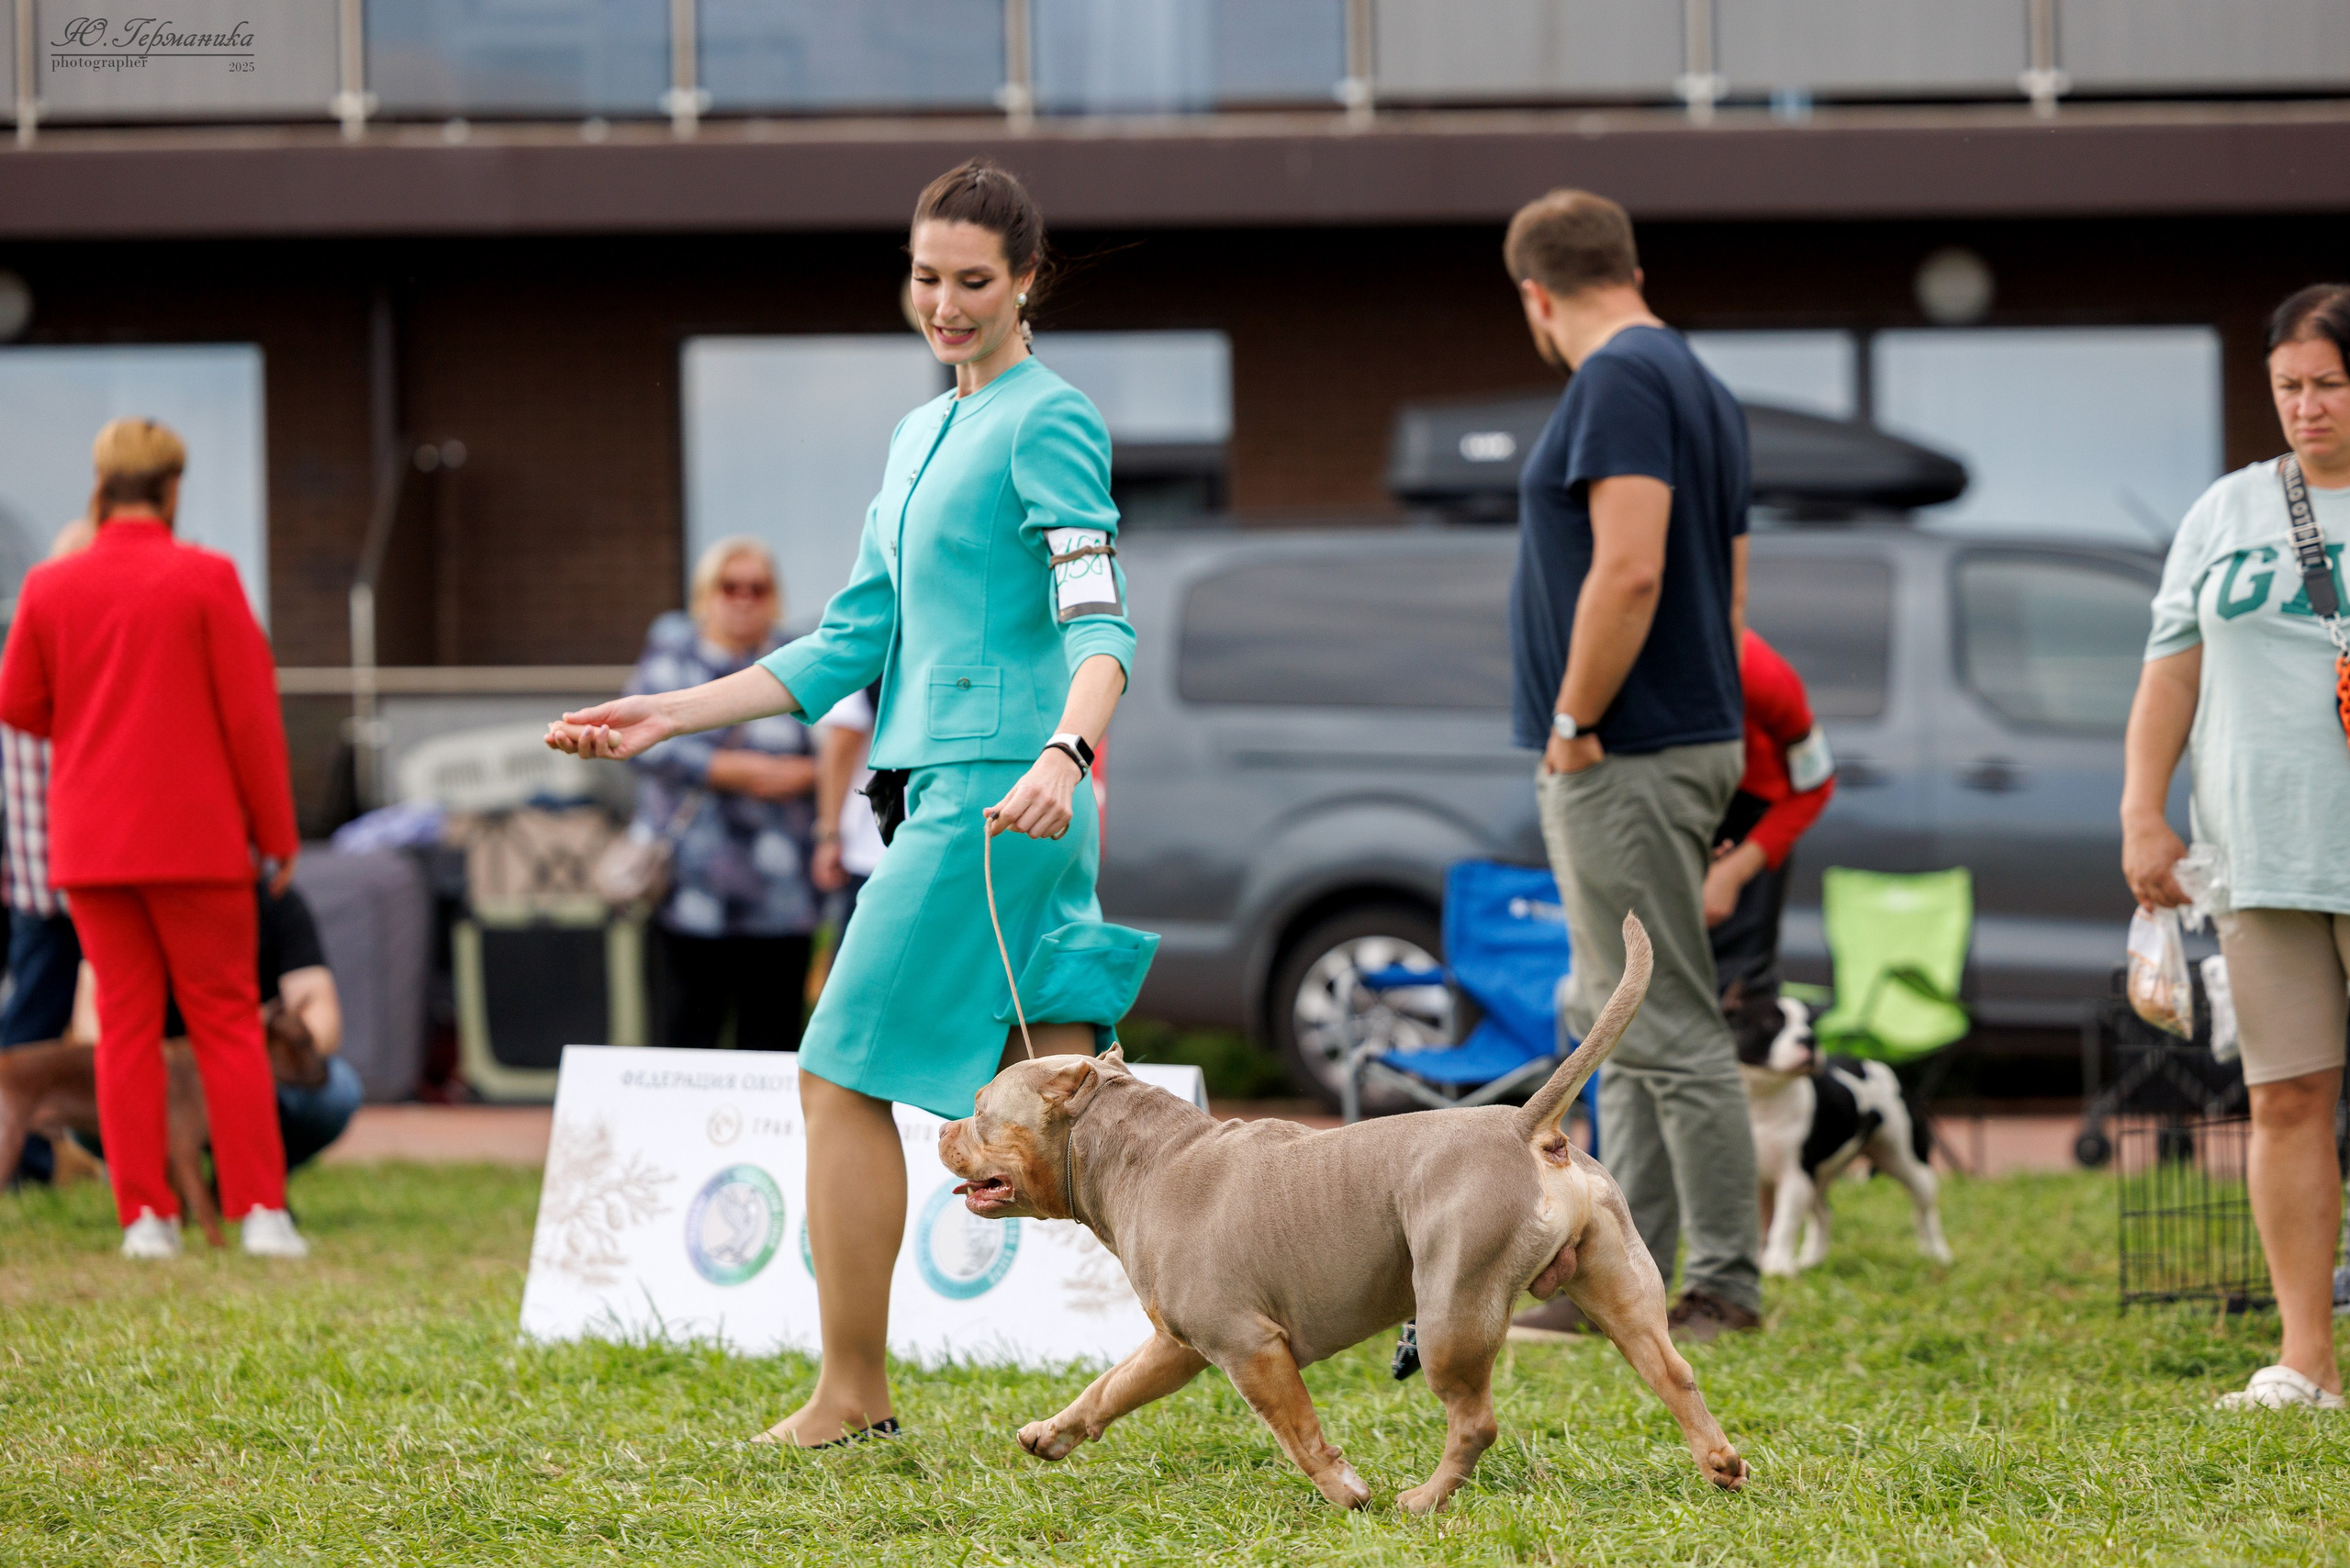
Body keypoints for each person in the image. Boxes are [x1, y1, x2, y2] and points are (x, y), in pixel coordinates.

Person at [547, 158, 1149, 1445]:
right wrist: (667, 711)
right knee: (1079, 1105)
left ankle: (851, 1393)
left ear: (1027, 280)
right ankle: (1272, 1300)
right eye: (925, 277)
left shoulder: (1050, 419)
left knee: (836, 1072)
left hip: (1001, 799)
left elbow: (1102, 626)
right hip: (959, 790)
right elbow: (846, 644)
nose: (944, 303)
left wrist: (1066, 757)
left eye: (973, 281)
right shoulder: (919, 432)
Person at [1499, 189, 1762, 1343]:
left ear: (1536, 296)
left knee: (1669, 1023)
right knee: (1628, 1021)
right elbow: (1734, 582)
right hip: (1681, 730)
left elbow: (1631, 568)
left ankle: (1722, 1286)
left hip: (1627, 744)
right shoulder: (1699, 381)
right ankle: (1626, 1275)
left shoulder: (1614, 381)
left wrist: (1572, 715)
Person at [0, 417, 305, 1260]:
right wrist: (277, 833)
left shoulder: (51, 585)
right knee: (227, 1022)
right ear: (172, 490)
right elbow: (251, 719)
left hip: (93, 842)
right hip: (196, 840)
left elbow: (18, 702)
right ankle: (261, 1215)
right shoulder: (206, 577)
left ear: (100, 487)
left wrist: (92, 718)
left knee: (125, 1027)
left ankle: (146, 1221)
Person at [2124, 283, 2350, 1411]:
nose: (2305, 408)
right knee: (2286, 1098)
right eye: (2287, 387)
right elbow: (2170, 670)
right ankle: (2305, 1360)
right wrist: (2141, 810)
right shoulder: (2224, 510)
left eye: (2328, 384)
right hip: (2258, 852)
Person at [626, 537, 821, 1051]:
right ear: (704, 593)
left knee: (771, 1041)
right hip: (689, 890)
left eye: (757, 588)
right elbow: (644, 744)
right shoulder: (674, 650)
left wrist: (799, 776)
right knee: (684, 1036)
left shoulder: (799, 658)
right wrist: (739, 770)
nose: (742, 599)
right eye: (728, 586)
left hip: (780, 893)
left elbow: (842, 749)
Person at [67, 878, 363, 1170]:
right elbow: (88, 1024)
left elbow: (323, 1014)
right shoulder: (126, 905)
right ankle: (161, 1184)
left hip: (253, 1068)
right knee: (88, 1098)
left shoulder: (271, 899)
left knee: (336, 1091)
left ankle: (244, 1181)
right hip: (161, 1074)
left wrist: (259, 1048)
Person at [1, 516, 97, 1184]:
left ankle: (43, 1155)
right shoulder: (57, 651)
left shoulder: (30, 645)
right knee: (34, 1022)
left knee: (38, 1017)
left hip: (45, 869)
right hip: (60, 872)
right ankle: (28, 1155)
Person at [1706, 629, 1838, 991]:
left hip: (1750, 816)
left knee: (1739, 991)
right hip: (1669, 816)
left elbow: (1817, 782)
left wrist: (1732, 873)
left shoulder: (1755, 672)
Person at [811, 686, 886, 927]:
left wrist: (830, 834)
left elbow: (843, 742)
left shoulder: (880, 652)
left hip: (875, 843)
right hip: (956, 838)